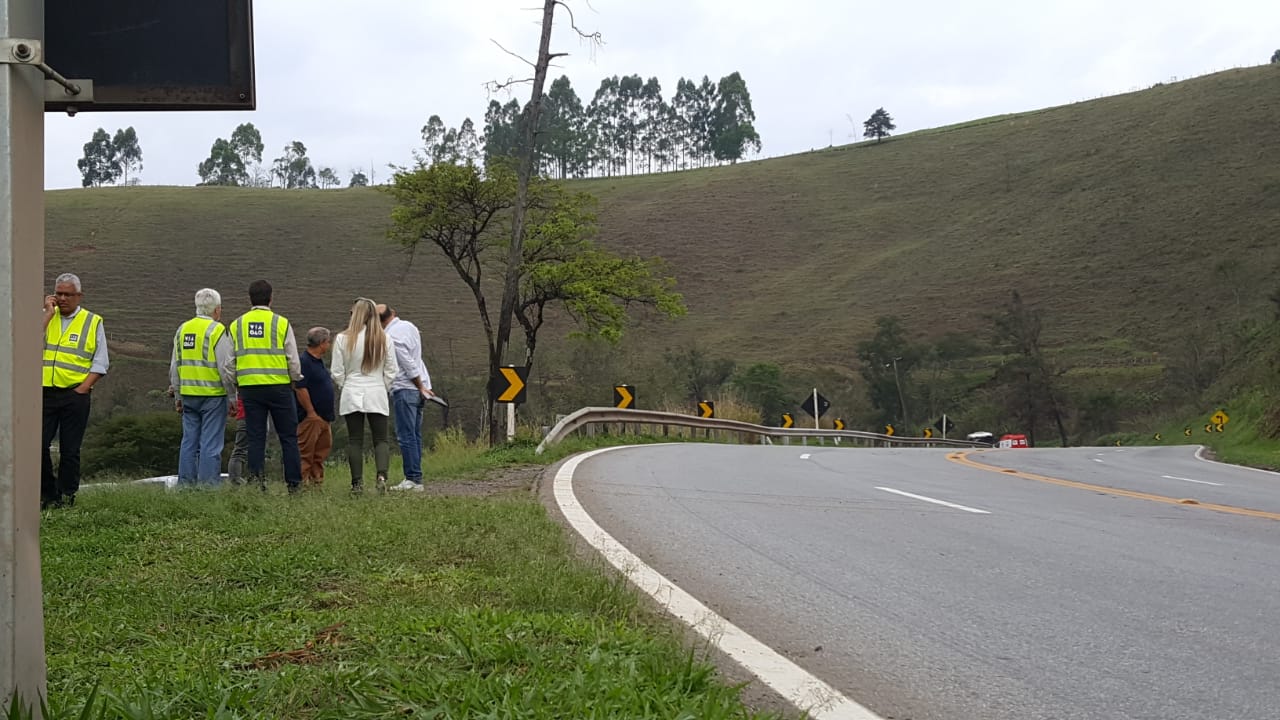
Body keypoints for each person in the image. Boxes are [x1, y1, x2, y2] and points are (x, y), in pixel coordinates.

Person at [225, 279, 304, 493]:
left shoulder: (236, 325)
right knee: (288, 437)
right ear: (271, 298)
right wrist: (294, 378)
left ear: (249, 298)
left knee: (256, 437)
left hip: (250, 389)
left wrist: (236, 383)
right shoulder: (281, 323)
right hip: (279, 388)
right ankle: (294, 485)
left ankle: (257, 482)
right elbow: (293, 360)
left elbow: (228, 363)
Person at [41, 272, 109, 509]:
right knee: (38, 446)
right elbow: (26, 343)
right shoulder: (46, 318)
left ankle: (67, 496)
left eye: (67, 294)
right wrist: (47, 315)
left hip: (74, 394)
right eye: (58, 293)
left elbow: (101, 362)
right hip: (44, 393)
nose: (62, 298)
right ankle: (47, 495)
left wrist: (83, 389)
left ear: (79, 296)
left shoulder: (93, 321)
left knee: (70, 450)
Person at [169, 288, 237, 487]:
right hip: (213, 395)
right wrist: (232, 397)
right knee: (211, 444)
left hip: (189, 395)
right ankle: (208, 488)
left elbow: (175, 365)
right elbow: (225, 368)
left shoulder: (182, 329)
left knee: (189, 442)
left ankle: (185, 486)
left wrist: (177, 396)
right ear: (217, 310)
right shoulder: (217, 330)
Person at [331, 298, 398, 494]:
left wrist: (347, 385)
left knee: (355, 440)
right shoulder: (384, 339)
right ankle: (382, 476)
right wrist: (381, 386)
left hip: (352, 391)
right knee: (381, 439)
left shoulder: (343, 339)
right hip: (376, 390)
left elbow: (336, 371)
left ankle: (357, 484)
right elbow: (392, 370)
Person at [378, 303, 434, 491]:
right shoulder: (409, 327)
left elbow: (408, 363)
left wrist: (419, 385)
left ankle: (413, 478)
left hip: (405, 388)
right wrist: (424, 386)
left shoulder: (391, 337)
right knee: (415, 434)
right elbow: (417, 358)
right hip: (418, 388)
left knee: (406, 436)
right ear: (393, 313)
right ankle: (416, 476)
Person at [294, 327, 335, 487]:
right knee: (306, 453)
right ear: (322, 343)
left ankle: (317, 483)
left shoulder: (318, 362)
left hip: (324, 417)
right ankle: (301, 485)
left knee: (320, 453)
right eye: (328, 342)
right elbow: (300, 387)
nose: (329, 345)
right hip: (310, 418)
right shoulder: (304, 361)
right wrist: (311, 412)